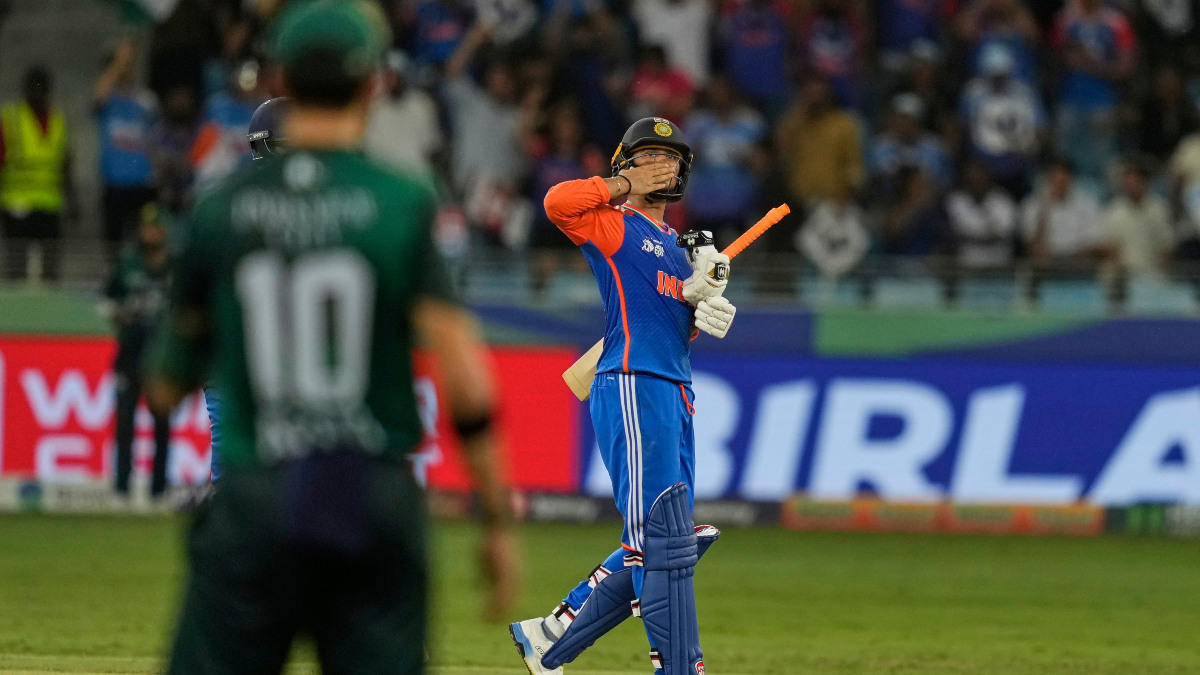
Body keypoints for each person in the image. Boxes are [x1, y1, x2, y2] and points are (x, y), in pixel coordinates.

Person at [143, 3, 518, 672]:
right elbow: (464, 373)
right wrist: (495, 518)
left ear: (278, 78)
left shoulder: (219, 211)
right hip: (368, 488)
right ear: (371, 83)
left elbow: (165, 385)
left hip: (256, 491)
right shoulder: (401, 200)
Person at [509, 117, 731, 675]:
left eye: (670, 158)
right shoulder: (615, 224)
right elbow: (557, 203)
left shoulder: (681, 250)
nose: (661, 165)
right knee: (662, 542)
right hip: (632, 382)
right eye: (647, 155)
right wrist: (626, 186)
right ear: (623, 165)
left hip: (674, 391)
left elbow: (669, 327)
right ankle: (679, 667)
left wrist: (705, 307)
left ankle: (550, 637)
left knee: (665, 541)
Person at [103, 203, 171, 504]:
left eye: (155, 228)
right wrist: (119, 313)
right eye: (146, 228)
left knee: (162, 424)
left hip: (161, 356)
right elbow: (107, 301)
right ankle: (121, 489)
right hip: (130, 353)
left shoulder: (176, 264)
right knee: (125, 422)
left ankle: (159, 490)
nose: (149, 234)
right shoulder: (128, 261)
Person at [0, 65, 73, 282]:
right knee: (16, 265)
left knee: (50, 266)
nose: (37, 93)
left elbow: (65, 162)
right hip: (17, 202)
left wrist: (72, 198)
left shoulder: (58, 119)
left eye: (41, 88)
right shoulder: (11, 118)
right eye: (33, 87)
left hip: (50, 202)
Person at [93, 37, 161, 263]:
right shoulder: (107, 100)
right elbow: (97, 97)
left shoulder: (147, 101)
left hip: (143, 185)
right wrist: (119, 60)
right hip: (114, 185)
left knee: (145, 241)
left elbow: (156, 139)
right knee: (113, 246)